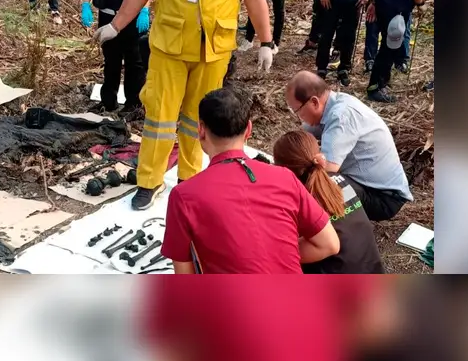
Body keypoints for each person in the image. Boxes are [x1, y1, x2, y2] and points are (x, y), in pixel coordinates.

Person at [93, 0, 274, 210]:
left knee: (197, 119)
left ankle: (189, 181)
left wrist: (266, 41)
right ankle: (150, 181)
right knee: (159, 118)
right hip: (169, 48)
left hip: (214, 49)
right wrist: (116, 25)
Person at [161, 88, 340, 273]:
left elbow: (184, 276)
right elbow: (329, 244)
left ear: (201, 130)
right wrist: (274, 256)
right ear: (248, 129)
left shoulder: (185, 195)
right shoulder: (284, 177)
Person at [286, 71, 413, 222]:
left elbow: (327, 170)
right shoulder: (334, 103)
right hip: (369, 186)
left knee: (321, 181)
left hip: (383, 198)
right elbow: (305, 137)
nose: (299, 117)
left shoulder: (341, 116)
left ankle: (330, 234)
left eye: (298, 111)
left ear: (314, 102)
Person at [273, 130, 385, 274]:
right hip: (372, 269)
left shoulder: (298, 198)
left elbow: (321, 246)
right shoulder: (340, 180)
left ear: (283, 169)